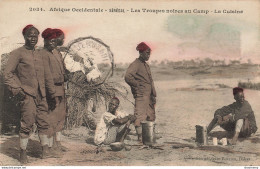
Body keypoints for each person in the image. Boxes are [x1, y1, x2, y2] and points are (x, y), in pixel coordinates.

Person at [4, 25, 59, 163]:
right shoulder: (17, 53)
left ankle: (45, 151)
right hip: (27, 95)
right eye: (30, 35)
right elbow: (7, 74)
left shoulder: (41, 54)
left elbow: (47, 76)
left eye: (35, 36)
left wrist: (51, 94)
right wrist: (18, 90)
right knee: (27, 123)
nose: (33, 38)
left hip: (42, 95)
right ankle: (23, 153)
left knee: (44, 122)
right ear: (24, 36)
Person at [40, 28, 67, 154]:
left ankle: (57, 144)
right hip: (52, 90)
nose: (52, 43)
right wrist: (52, 93)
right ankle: (49, 148)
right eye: (50, 40)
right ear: (45, 40)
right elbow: (47, 76)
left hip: (60, 88)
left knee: (60, 116)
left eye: (54, 40)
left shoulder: (55, 52)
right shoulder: (43, 54)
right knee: (51, 118)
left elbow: (61, 69)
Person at [124, 42, 156, 142]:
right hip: (141, 95)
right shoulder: (135, 64)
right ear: (141, 53)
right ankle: (140, 137)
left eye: (149, 53)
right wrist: (138, 86)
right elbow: (128, 77)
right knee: (139, 115)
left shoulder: (146, 65)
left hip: (149, 95)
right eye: (147, 53)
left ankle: (149, 136)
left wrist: (153, 93)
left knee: (150, 115)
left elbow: (150, 81)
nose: (148, 55)